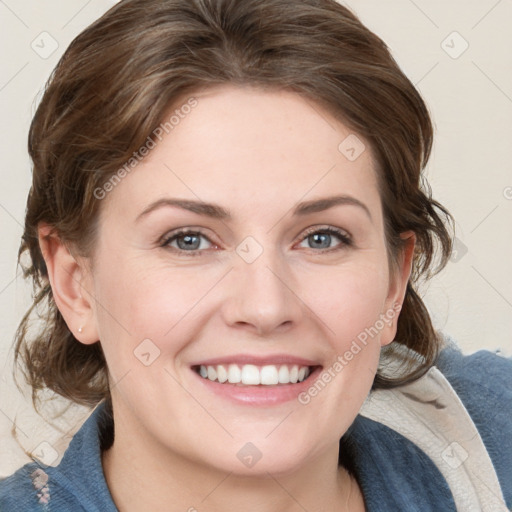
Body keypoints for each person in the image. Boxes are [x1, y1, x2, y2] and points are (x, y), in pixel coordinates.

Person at [1, 0, 511, 510]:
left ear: (394, 284)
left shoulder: (490, 437)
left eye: (321, 238)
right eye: (188, 240)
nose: (265, 308)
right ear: (75, 284)